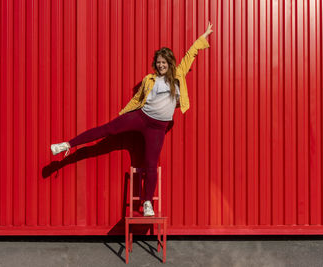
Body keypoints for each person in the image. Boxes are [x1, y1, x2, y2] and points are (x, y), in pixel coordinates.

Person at [51, 22, 213, 216]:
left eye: (164, 62)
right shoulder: (149, 79)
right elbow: (137, 99)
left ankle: (147, 204)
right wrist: (123, 115)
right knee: (107, 129)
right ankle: (67, 145)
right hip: (141, 117)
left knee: (151, 163)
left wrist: (203, 37)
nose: (161, 65)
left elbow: (190, 55)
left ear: (170, 63)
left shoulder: (178, 74)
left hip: (157, 128)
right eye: (158, 62)